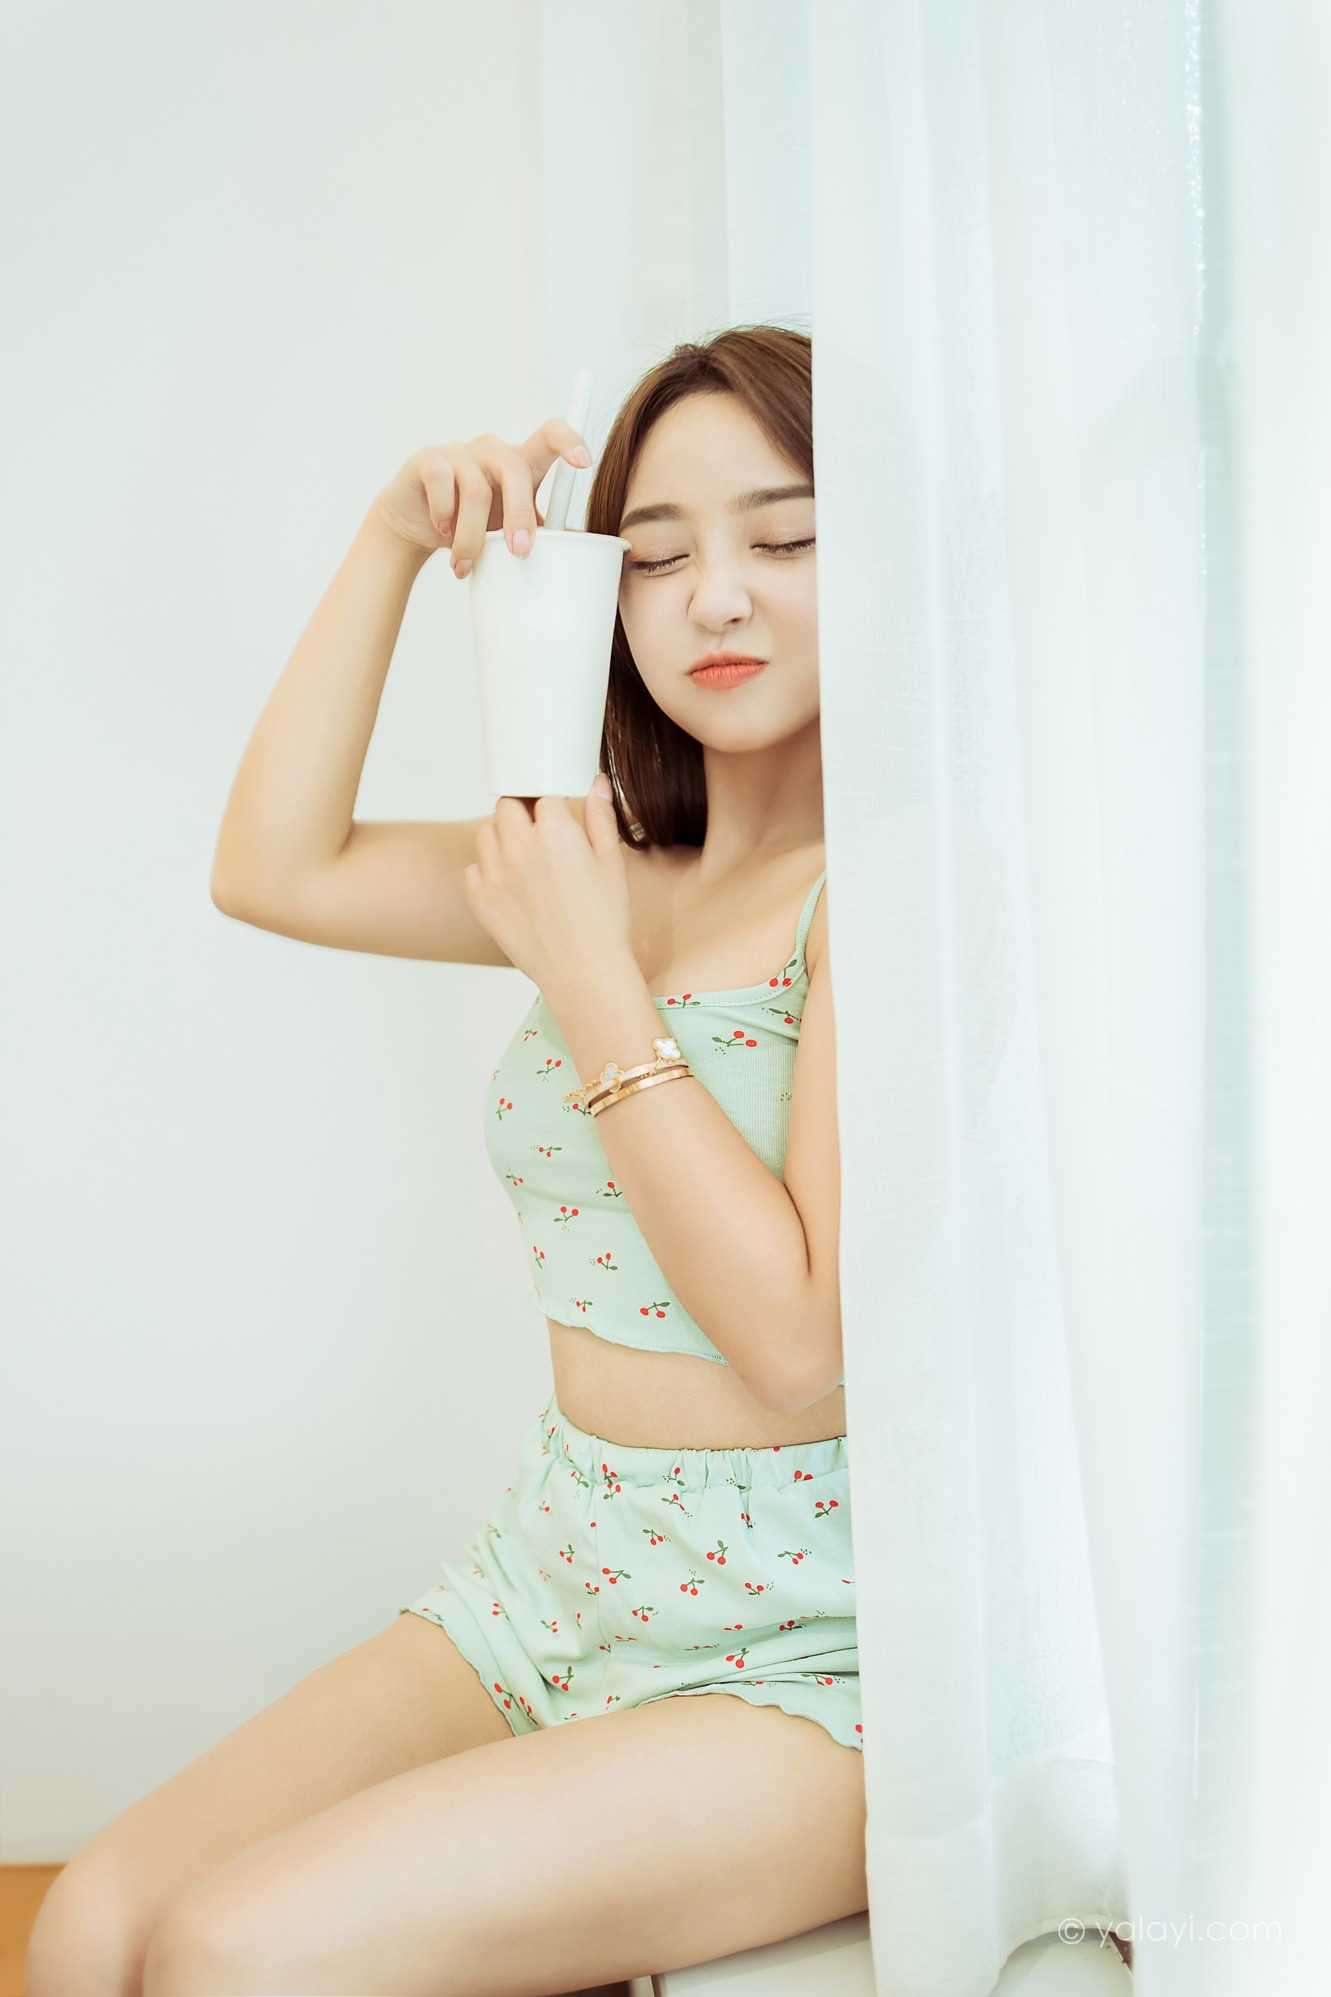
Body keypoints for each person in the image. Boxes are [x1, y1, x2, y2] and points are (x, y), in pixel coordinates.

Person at [28, 325, 869, 1997]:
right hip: (554, 1573)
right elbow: (275, 864)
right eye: (656, 556)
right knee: (86, 1932)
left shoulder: (876, 898)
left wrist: (593, 979)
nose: (716, 596)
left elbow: (797, 1345)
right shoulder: (609, 869)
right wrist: (394, 542)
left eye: (785, 540)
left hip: (805, 1655)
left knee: (233, 1955)